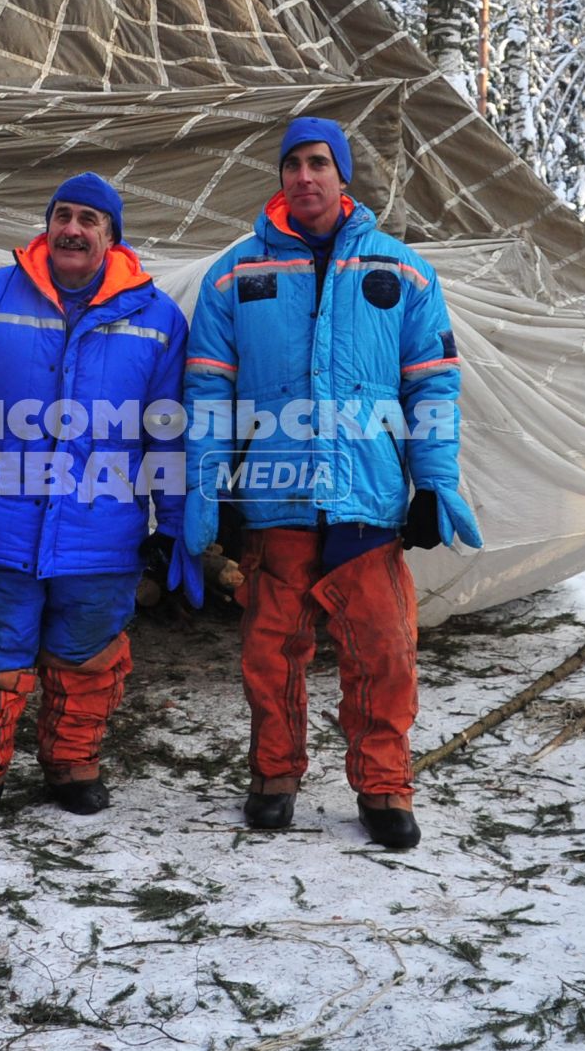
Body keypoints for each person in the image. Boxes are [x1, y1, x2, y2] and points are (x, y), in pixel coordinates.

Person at [182, 117, 481, 851]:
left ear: (344, 177)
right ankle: (274, 775)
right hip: (274, 497)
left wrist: (434, 482)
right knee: (271, 650)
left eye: (320, 163)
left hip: (367, 497)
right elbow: (207, 394)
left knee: (383, 650)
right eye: (293, 164)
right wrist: (205, 490)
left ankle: (383, 785)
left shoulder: (403, 271)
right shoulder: (234, 275)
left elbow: (432, 385)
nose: (306, 177)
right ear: (280, 179)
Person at [0, 172, 196, 830]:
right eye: (63, 214)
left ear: (113, 237)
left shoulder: (157, 320)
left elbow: (169, 432)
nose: (72, 228)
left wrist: (176, 524)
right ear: (46, 224)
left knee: (87, 656)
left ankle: (73, 761)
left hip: (104, 535)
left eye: (90, 219)